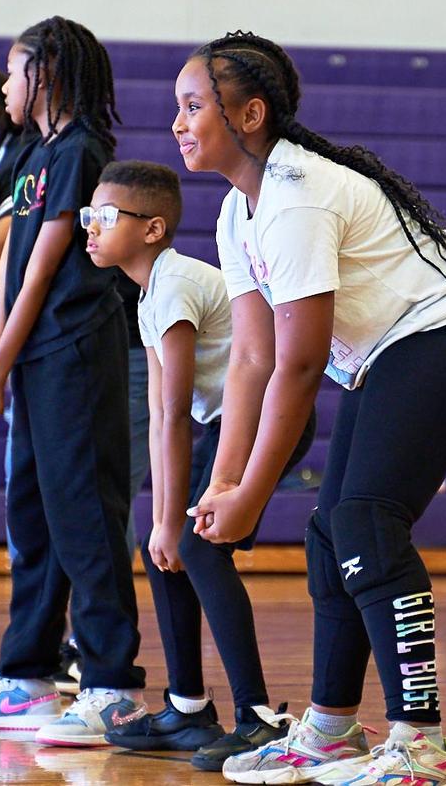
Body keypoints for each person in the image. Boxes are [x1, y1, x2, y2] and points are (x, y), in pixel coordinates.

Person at [176, 32, 446, 786]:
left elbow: (298, 364)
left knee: (365, 521)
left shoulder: (298, 195)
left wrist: (252, 497)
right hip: (388, 354)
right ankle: (330, 731)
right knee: (333, 531)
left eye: (195, 105)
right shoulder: (240, 213)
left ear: (250, 114)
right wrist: (224, 483)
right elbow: (252, 359)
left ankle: (423, 743)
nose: (179, 121)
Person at [0, 16, 144, 746]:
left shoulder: (81, 153)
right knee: (32, 515)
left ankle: (113, 686)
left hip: (75, 350)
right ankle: (27, 676)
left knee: (84, 516)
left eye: (15, 71)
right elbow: (6, 276)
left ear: (47, 74)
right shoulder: (29, 155)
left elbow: (43, 272)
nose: (6, 87)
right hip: (33, 355)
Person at [81, 160, 313, 770]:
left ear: (153, 228)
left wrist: (169, 522)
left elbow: (175, 415)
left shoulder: (176, 283)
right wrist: (161, 523)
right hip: (218, 424)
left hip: (261, 420)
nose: (92, 228)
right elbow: (162, 416)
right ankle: (186, 707)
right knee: (164, 551)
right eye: (90, 215)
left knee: (200, 548)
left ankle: (258, 717)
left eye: (106, 217)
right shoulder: (149, 292)